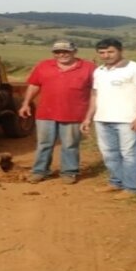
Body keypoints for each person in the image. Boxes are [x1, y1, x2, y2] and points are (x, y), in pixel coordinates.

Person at [81, 38, 136, 200]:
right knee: (109, 154)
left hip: (128, 120)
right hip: (102, 119)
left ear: (121, 51)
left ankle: (132, 188)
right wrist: (88, 118)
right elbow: (94, 95)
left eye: (110, 51)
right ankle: (116, 182)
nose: (106, 55)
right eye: (102, 52)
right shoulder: (99, 71)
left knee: (130, 155)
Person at [19, 40, 95, 185]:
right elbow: (34, 85)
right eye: (58, 52)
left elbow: (95, 92)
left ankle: (69, 172)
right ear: (53, 53)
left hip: (74, 113)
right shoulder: (44, 66)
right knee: (44, 143)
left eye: (66, 51)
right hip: (46, 112)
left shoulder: (89, 68)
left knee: (70, 144)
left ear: (74, 52)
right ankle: (40, 171)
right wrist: (26, 103)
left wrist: (90, 115)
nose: (62, 54)